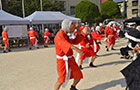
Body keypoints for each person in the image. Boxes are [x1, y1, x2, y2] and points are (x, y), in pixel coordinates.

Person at [54, 19, 84, 90]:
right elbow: (66, 44)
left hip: (70, 58)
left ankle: (73, 87)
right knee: (61, 79)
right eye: (71, 25)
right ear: (66, 25)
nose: (73, 26)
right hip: (62, 61)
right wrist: (76, 49)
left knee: (78, 75)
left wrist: (79, 33)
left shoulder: (67, 34)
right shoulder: (59, 35)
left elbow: (75, 41)